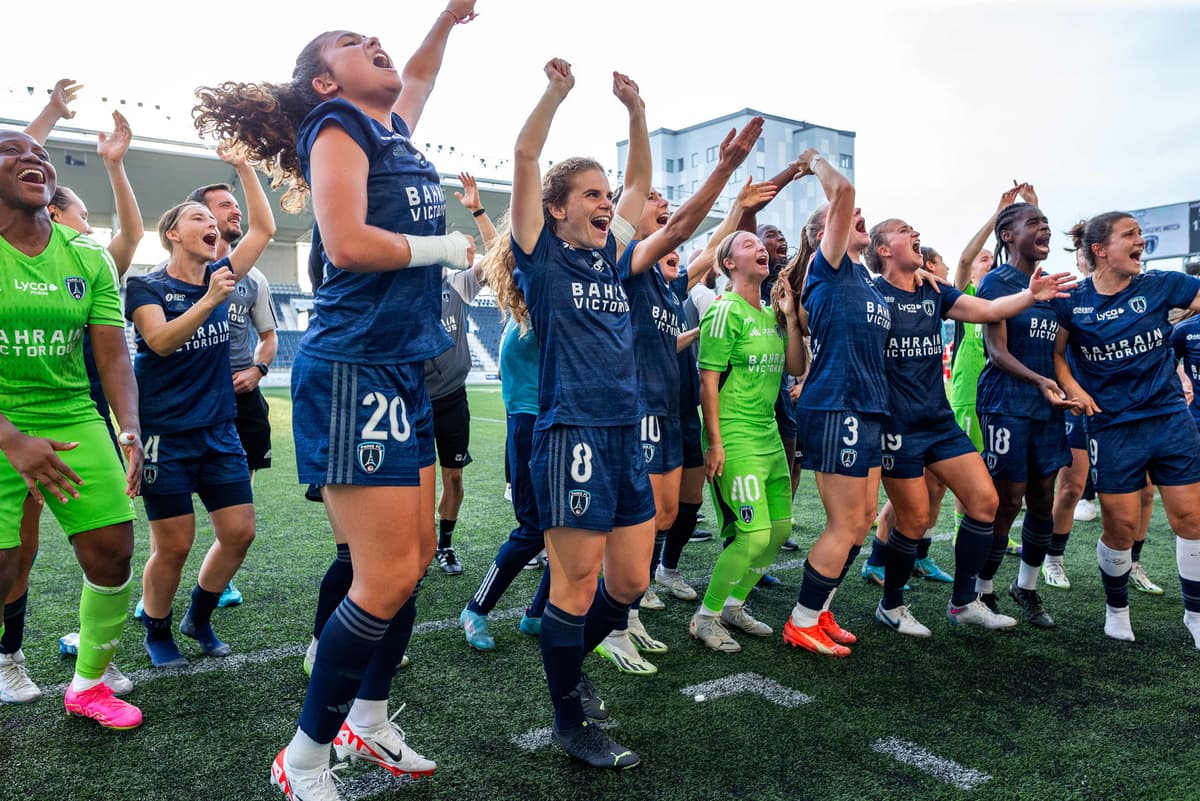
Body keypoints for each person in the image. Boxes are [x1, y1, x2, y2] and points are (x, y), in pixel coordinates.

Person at [194, 8, 479, 798]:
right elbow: (347, 240)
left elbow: (416, 77)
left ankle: (369, 719)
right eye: (353, 44)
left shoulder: (387, 126)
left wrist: (446, 19)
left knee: (412, 561)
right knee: (382, 573)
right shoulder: (334, 124)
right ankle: (304, 756)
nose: (374, 45)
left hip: (402, 368)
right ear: (325, 81)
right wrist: (442, 248)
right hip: (355, 366)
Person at [496, 56, 761, 768]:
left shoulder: (613, 262)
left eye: (605, 193)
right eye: (590, 193)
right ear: (556, 207)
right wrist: (555, 93)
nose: (607, 201)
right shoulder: (541, 257)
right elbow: (526, 155)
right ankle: (567, 715)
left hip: (625, 438)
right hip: (571, 436)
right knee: (577, 585)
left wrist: (639, 116)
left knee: (629, 582)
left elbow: (656, 203)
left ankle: (569, 668)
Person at [864, 216, 1073, 636]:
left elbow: (990, 310)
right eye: (904, 231)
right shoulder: (870, 295)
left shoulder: (934, 291)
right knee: (915, 519)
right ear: (884, 250)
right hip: (896, 425)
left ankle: (964, 603)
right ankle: (891, 605)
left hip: (939, 421)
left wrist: (1030, 295)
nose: (914, 234)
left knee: (984, 503)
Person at [4, 87, 144, 701]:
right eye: (13, 151)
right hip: (3, 421)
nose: (33, 156)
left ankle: (89, 684)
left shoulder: (87, 257)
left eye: (40, 152)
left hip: (71, 415)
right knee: (7, 566)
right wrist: (13, 440)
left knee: (113, 551)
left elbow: (113, 354)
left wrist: (129, 428)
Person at [126, 144, 274, 669]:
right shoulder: (146, 285)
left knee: (239, 533)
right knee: (174, 544)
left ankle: (200, 615)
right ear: (173, 232)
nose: (212, 224)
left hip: (218, 429)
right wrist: (211, 299)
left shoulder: (224, 274)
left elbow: (262, 232)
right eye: (199, 218)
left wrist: (242, 167)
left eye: (215, 219)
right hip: (165, 433)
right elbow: (160, 341)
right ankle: (157, 628)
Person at [1052, 211, 1200, 646]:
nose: (1142, 241)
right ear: (1099, 250)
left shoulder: (1161, 285)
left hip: (1169, 417)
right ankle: (1116, 610)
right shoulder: (1072, 299)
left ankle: (1195, 615)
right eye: (1131, 235)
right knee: (1120, 526)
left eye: (1141, 233)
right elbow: (1058, 355)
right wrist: (1073, 387)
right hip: (1112, 427)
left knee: (1192, 517)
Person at [776, 155, 879, 658]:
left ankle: (821, 609)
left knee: (861, 521)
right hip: (838, 407)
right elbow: (844, 193)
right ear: (824, 235)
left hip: (868, 407)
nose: (860, 216)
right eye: (849, 218)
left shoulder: (863, 281)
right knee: (844, 524)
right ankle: (800, 621)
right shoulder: (829, 266)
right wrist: (811, 161)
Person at [688, 221, 808, 653]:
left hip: (769, 436)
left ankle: (735, 605)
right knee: (752, 535)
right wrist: (715, 442)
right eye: (747, 243)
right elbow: (707, 381)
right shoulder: (723, 310)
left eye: (761, 244)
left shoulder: (770, 315)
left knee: (779, 531)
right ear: (728, 263)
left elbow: (795, 367)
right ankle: (706, 617)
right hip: (736, 436)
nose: (760, 247)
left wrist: (791, 317)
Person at [974, 199, 1074, 628]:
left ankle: (1026, 587)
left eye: (1046, 222)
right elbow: (996, 352)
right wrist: (1039, 380)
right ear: (1007, 235)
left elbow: (1058, 352)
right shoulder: (997, 283)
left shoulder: (1056, 289)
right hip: (1005, 402)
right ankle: (982, 589)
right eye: (1034, 222)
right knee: (1008, 499)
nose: (1044, 228)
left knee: (1043, 499)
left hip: (1046, 405)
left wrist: (1067, 389)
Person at [188, 177, 279, 608]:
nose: (234, 211)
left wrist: (259, 368)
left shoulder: (254, 278)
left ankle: (219, 579)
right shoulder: (181, 275)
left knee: (238, 497)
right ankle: (161, 584)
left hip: (243, 399)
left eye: (234, 205)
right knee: (175, 502)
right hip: (194, 399)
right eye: (223, 206)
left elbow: (269, 337)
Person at [426, 172, 493, 576]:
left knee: (452, 478)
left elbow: (502, 256)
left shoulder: (458, 285)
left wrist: (478, 211)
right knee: (413, 484)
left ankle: (444, 545)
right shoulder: (401, 285)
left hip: (451, 397)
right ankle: (413, 546)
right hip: (411, 399)